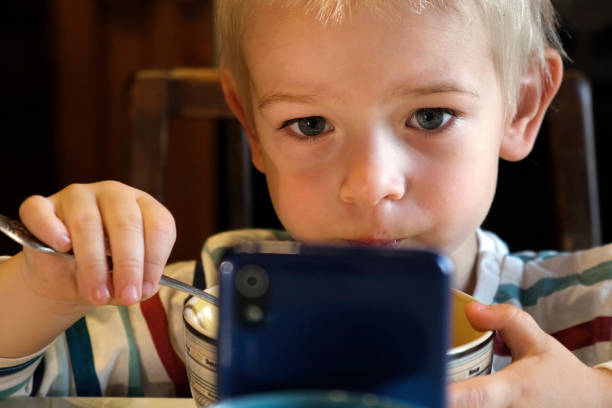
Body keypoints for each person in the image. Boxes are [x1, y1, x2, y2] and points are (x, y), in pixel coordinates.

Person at [1, 0, 612, 406]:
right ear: (252, 129)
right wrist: (43, 290)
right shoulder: (213, 306)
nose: (370, 185)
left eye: (430, 116)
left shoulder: (589, 309)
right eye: (311, 124)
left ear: (523, 107)